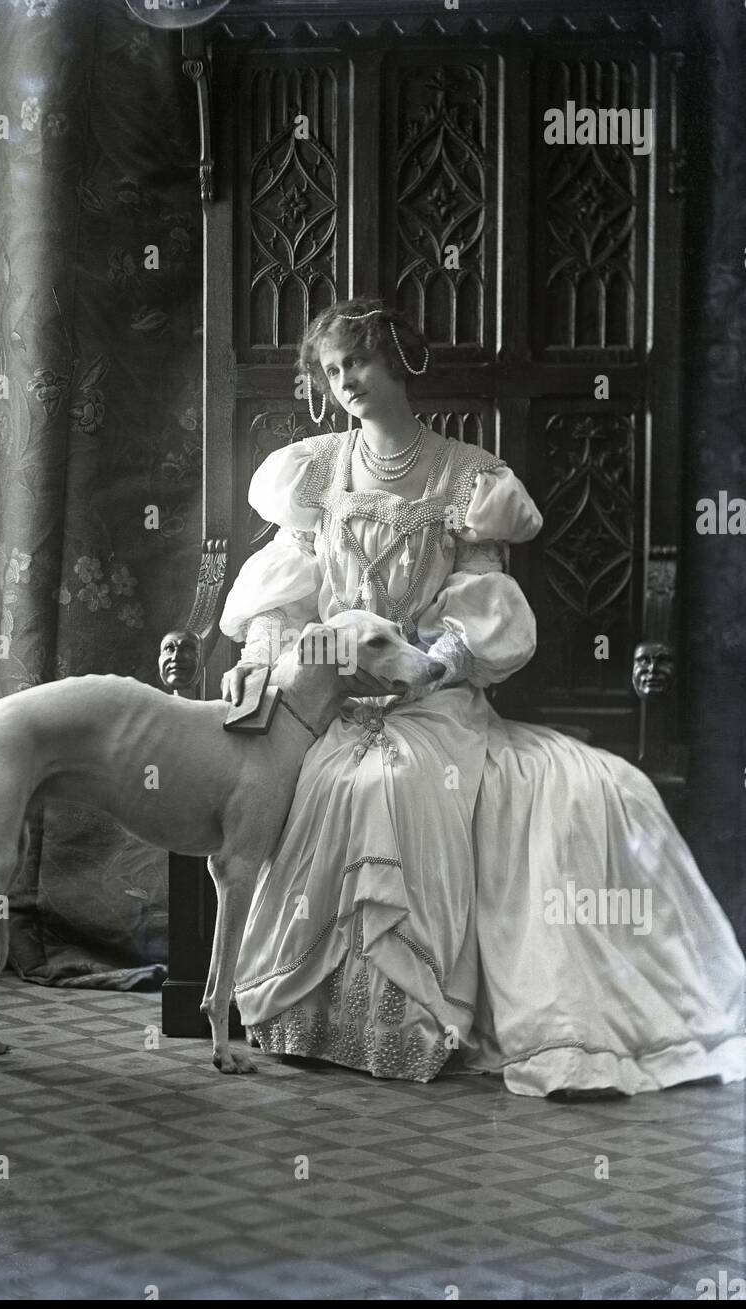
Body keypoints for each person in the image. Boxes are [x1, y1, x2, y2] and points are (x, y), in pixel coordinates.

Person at [216, 298, 746, 1097]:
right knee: (327, 775)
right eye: (330, 370)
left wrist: (426, 666)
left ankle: (412, 1023)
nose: (345, 381)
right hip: (328, 700)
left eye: (357, 361)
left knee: (389, 782)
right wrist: (260, 658)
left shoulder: (469, 479)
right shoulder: (312, 472)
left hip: (433, 700)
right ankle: (308, 1015)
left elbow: (479, 606)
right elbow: (281, 602)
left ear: (398, 361)